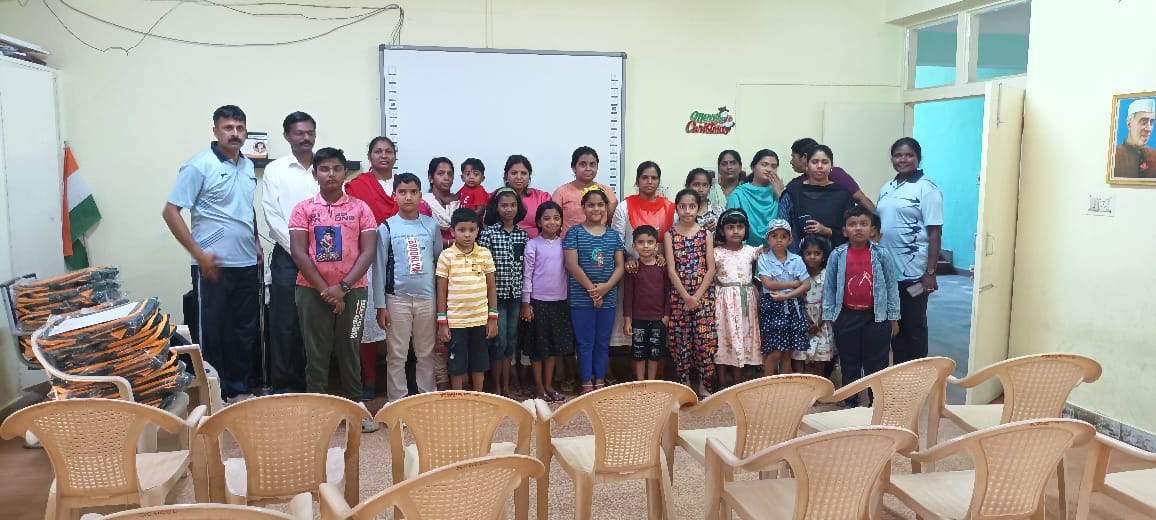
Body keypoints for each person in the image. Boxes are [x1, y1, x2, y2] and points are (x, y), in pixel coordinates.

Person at [162, 105, 260, 403]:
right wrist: (198, 253)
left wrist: (256, 241)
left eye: (239, 128)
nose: (234, 133)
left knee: (244, 330)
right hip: (212, 265)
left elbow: (245, 207)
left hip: (246, 261)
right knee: (213, 332)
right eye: (228, 128)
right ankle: (215, 397)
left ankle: (237, 390)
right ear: (216, 131)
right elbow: (171, 212)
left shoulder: (247, 165)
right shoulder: (198, 165)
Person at [287, 148, 378, 430]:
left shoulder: (361, 209)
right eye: (324, 169)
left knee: (350, 347)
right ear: (315, 174)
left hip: (354, 291)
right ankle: (316, 410)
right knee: (316, 351)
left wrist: (343, 287)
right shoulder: (303, 209)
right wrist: (327, 291)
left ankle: (356, 407)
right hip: (311, 291)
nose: (331, 174)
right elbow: (299, 253)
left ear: (345, 173)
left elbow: (368, 252)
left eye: (337, 168)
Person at [259, 111, 317, 394]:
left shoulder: (326, 166)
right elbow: (273, 215)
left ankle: (315, 385)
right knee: (286, 323)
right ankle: (285, 388)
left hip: (325, 257)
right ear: (287, 136)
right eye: (299, 133)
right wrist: (299, 251)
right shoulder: (276, 170)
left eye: (310, 133)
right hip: (288, 256)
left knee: (317, 324)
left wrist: (317, 254)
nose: (305, 138)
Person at [373, 172, 442, 403]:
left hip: (427, 299)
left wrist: (441, 304)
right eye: (402, 192)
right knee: (396, 355)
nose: (408, 197)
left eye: (413, 192)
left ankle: (427, 397)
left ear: (421, 195)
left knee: (426, 352)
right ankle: (397, 401)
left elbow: (438, 263)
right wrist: (381, 305)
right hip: (397, 300)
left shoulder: (431, 226)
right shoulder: (386, 227)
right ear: (395, 195)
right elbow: (379, 267)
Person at [822, 205, 901, 407]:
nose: (858, 228)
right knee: (849, 361)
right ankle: (851, 401)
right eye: (852, 224)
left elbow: (891, 286)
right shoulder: (837, 255)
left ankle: (876, 402)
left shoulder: (882, 255)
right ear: (844, 230)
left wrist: (893, 317)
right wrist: (831, 316)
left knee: (877, 362)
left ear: (872, 229)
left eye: (863, 224)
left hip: (876, 317)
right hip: (846, 316)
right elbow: (829, 287)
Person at [877, 137, 944, 365]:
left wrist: (930, 272)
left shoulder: (927, 188)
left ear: (918, 158)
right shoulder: (887, 187)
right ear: (892, 159)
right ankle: (899, 371)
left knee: (914, 324)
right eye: (898, 155)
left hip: (915, 273)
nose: (903, 160)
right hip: (888, 271)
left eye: (909, 155)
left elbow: (935, 233)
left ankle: (917, 373)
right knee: (894, 324)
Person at [344, 136, 401, 400]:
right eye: (378, 151)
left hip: (401, 262)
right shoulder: (357, 186)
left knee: (400, 320)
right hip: (367, 260)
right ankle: (367, 379)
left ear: (395, 156)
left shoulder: (404, 185)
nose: (383, 156)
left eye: (388, 151)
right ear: (369, 156)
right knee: (365, 321)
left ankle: (397, 381)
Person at [563, 186, 625, 394]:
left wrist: (605, 288)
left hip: (608, 298)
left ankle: (599, 379)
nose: (596, 209)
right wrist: (593, 290)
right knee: (584, 342)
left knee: (602, 342)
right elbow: (572, 265)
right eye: (591, 205)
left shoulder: (613, 235)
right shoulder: (574, 233)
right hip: (581, 298)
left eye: (600, 205)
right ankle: (586, 382)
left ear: (606, 207)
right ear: (583, 207)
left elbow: (620, 266)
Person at [435, 208, 498, 391]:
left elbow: (491, 287)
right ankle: (458, 398)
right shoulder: (446, 256)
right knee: (457, 365)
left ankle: (478, 396)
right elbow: (441, 290)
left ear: (478, 230)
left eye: (472, 230)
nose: (467, 235)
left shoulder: (484, 254)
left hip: (480, 320)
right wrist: (442, 323)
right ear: (453, 231)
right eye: (462, 230)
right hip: (456, 322)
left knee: (479, 363)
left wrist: (493, 318)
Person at [665, 189, 718, 397]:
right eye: (682, 206)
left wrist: (696, 296)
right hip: (680, 297)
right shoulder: (670, 235)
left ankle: (705, 383)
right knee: (680, 340)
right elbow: (671, 269)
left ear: (698, 208)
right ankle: (684, 381)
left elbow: (711, 269)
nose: (687, 211)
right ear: (677, 208)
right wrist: (686, 296)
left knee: (704, 340)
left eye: (692, 206)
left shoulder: (706, 234)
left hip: (703, 297)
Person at [520, 201, 574, 403]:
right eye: (547, 218)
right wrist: (526, 303)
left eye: (556, 218)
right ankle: (539, 387)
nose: (552, 222)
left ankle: (549, 385)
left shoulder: (565, 244)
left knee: (552, 347)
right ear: (538, 222)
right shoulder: (533, 245)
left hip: (559, 303)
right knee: (538, 348)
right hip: (538, 303)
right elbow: (527, 275)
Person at [478, 188, 528, 397]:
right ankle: (496, 386)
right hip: (495, 297)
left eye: (513, 205)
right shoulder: (488, 234)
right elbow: (481, 266)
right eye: (504, 205)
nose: (509, 209)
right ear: (496, 208)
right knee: (499, 341)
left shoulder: (523, 235)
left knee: (511, 340)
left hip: (515, 296)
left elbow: (525, 267)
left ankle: (506, 386)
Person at [712, 208, 762, 388]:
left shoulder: (751, 251)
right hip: (723, 303)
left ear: (746, 229)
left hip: (745, 303)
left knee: (740, 338)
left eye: (740, 227)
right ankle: (722, 384)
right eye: (730, 227)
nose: (735, 231)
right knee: (723, 339)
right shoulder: (715, 252)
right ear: (722, 230)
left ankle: (737, 384)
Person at [778, 144, 856, 253]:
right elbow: (781, 228)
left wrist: (826, 231)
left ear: (831, 165)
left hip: (835, 256)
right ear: (807, 164)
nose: (819, 166)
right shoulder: (793, 192)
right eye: (814, 162)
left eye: (825, 162)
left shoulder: (843, 195)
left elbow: (851, 231)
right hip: (796, 257)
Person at [757, 219, 809, 376]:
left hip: (793, 306)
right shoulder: (764, 259)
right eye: (774, 236)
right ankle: (766, 383)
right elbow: (768, 283)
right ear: (768, 239)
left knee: (787, 353)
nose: (779, 239)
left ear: (790, 240)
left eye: (783, 236)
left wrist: (787, 295)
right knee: (775, 352)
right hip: (772, 306)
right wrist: (793, 283)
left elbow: (806, 285)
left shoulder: (796, 260)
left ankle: (784, 385)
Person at [622, 225, 670, 381]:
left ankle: (651, 382)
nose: (646, 246)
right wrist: (627, 320)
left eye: (650, 242)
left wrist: (666, 316)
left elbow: (668, 292)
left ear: (656, 245)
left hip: (658, 319)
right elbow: (628, 296)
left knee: (655, 353)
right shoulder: (633, 268)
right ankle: (640, 381)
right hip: (638, 319)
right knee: (639, 352)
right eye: (641, 242)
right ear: (634, 246)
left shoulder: (662, 267)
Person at [787, 138, 876, 212]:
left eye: (793, 156)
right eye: (815, 162)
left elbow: (861, 199)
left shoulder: (835, 174)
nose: (791, 161)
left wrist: (877, 223)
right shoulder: (796, 184)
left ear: (804, 157)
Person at [553, 146, 618, 237]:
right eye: (583, 164)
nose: (588, 168)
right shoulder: (561, 192)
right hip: (570, 243)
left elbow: (611, 223)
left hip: (600, 243)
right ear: (574, 167)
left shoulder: (607, 192)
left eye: (592, 164)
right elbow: (554, 224)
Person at [793, 235, 835, 376]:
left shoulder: (827, 275)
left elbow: (829, 302)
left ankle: (819, 383)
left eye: (817, 253)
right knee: (799, 354)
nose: (812, 257)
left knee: (820, 357)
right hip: (802, 320)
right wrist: (807, 322)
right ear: (803, 255)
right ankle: (800, 382)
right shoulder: (799, 275)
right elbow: (797, 300)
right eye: (808, 253)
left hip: (822, 322)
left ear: (823, 256)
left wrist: (818, 324)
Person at [727, 149, 784, 247]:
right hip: (744, 250)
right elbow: (731, 226)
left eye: (773, 166)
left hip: (777, 249)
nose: (769, 169)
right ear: (753, 167)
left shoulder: (781, 191)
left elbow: (790, 223)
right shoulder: (739, 194)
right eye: (764, 165)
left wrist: (782, 196)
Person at [502, 154, 552, 238]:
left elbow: (552, 223)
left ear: (529, 176)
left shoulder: (542, 197)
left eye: (523, 173)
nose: (519, 177)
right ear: (506, 175)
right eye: (514, 173)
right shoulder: (496, 197)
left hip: (538, 244)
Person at [419, 157, 461, 246]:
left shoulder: (460, 202)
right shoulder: (423, 202)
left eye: (450, 174)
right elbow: (422, 237)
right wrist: (450, 243)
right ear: (431, 178)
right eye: (441, 174)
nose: (446, 178)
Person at [1114, 99, 1156, 178]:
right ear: (1129, 124)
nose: (1149, 128)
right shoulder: (1115, 156)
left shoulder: (1154, 156)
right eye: (1144, 121)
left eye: (1151, 122)